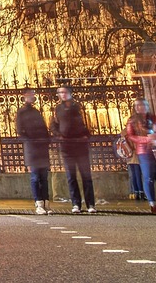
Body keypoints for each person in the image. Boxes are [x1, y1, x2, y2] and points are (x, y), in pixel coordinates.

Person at [124, 98, 156, 214]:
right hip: (144, 151)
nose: (139, 107)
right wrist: (147, 139)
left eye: (142, 105)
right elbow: (130, 136)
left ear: (147, 106)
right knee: (148, 178)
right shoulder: (132, 120)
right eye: (137, 106)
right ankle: (153, 205)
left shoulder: (155, 118)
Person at [50, 84, 96, 213]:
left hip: (80, 145)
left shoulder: (79, 107)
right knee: (71, 176)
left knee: (86, 176)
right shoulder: (57, 109)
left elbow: (88, 123)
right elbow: (53, 125)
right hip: (66, 146)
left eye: (64, 92)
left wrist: (86, 135)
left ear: (70, 93)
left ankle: (90, 204)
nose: (62, 94)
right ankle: (76, 204)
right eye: (60, 93)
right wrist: (59, 135)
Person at [15, 89, 52, 214]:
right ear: (24, 97)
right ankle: (38, 203)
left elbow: (43, 128)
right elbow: (20, 131)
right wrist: (31, 141)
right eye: (29, 95)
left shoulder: (36, 112)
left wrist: (46, 141)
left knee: (44, 177)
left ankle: (46, 203)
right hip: (32, 149)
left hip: (41, 148)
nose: (32, 96)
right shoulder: (22, 112)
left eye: (33, 95)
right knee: (35, 177)